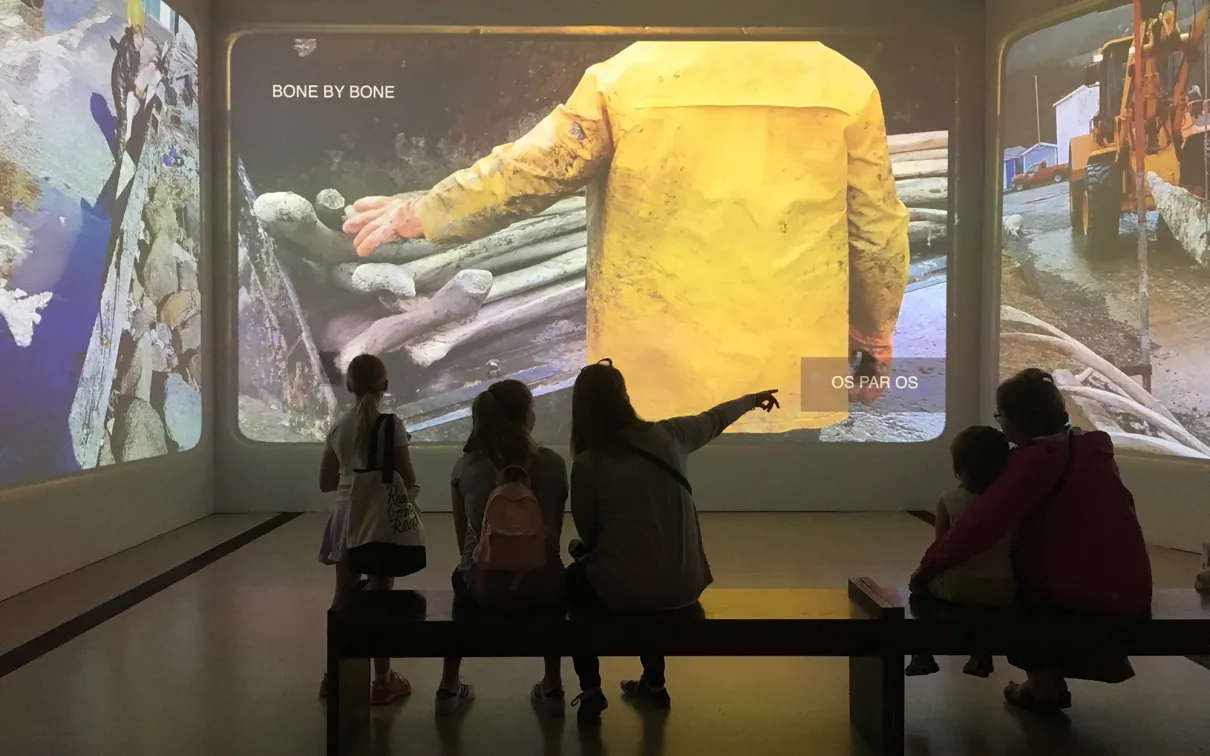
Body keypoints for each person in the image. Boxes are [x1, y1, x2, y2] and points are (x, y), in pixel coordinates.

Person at [343, 41, 909, 439]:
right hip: (790, 370)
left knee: (642, 523)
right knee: (781, 525)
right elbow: (877, 227)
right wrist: (875, 333)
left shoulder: (627, 76)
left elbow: (528, 172)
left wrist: (423, 212)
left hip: (653, 377)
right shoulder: (844, 83)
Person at [910, 368, 1153, 714]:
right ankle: (1049, 681)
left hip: (1082, 596)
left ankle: (1042, 687)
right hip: (1131, 586)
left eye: (1001, 416)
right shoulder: (1089, 449)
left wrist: (926, 569)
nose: (1000, 425)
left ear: (1019, 419)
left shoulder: (1036, 459)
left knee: (1010, 594)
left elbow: (979, 527)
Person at [564, 359, 779, 725]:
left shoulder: (588, 462)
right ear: (624, 396)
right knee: (650, 572)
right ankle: (654, 683)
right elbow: (716, 417)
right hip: (685, 586)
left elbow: (589, 533)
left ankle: (591, 689)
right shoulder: (672, 435)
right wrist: (753, 399)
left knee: (574, 583)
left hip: (624, 591)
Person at [439, 380, 569, 717]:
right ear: (525, 415)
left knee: (462, 574)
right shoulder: (554, 465)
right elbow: (553, 539)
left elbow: (464, 544)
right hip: (542, 587)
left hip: (482, 589)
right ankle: (553, 685)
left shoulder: (465, 467)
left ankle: (448, 684)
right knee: (554, 572)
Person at [317, 354, 416, 705]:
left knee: (343, 597)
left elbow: (325, 482)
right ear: (385, 385)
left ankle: (333, 676)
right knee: (381, 600)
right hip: (379, 520)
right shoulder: (392, 426)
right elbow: (408, 477)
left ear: (349, 386)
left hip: (345, 518)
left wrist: (353, 480)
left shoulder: (338, 428)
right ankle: (383, 681)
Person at [905, 425, 1013, 678]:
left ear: (959, 465)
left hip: (959, 586)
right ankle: (981, 654)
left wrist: (921, 577)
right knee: (984, 608)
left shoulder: (949, 499)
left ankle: (922, 655)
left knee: (920, 594)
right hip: (1004, 588)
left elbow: (941, 547)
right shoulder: (1010, 501)